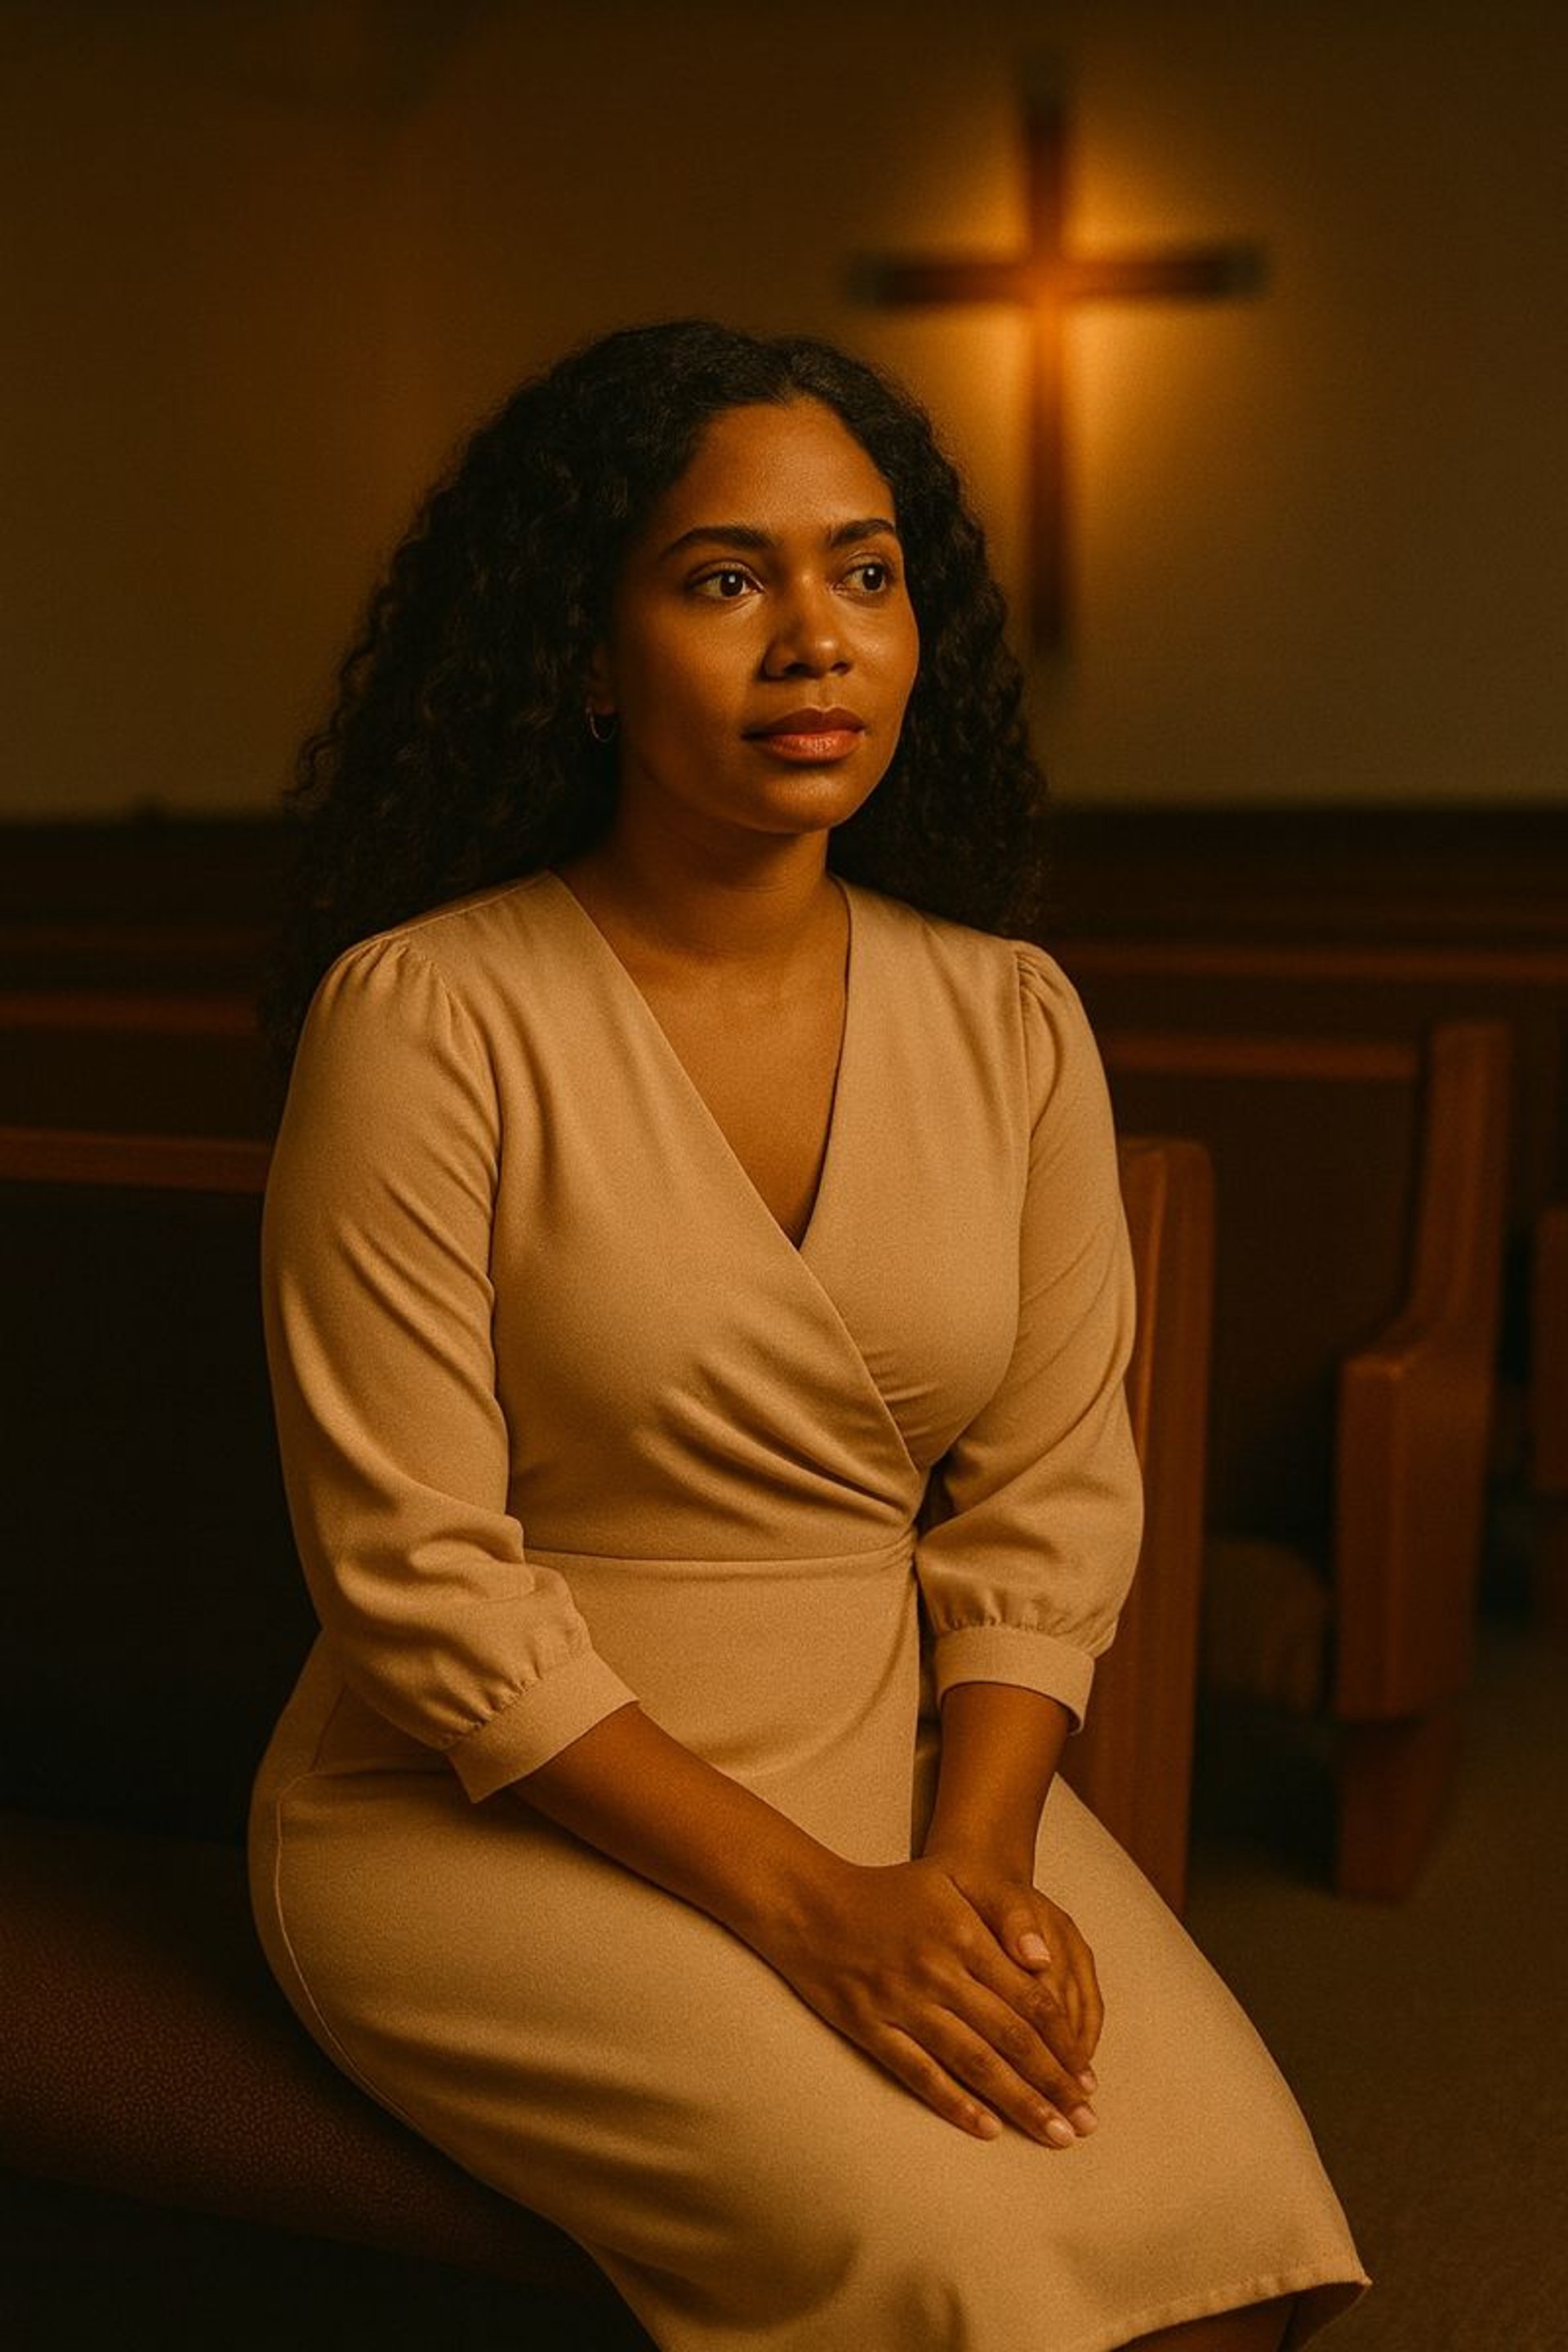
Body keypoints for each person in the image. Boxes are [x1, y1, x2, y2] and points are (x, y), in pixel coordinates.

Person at [249, 318, 1368, 2351]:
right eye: (722, 579)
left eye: (864, 574)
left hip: (903, 1767)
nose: (815, 641)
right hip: (491, 1798)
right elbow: (408, 1576)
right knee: (962, 2270)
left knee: (1236, 2234)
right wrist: (812, 1914)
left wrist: (969, 1862)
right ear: (586, 656)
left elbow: (1049, 1500)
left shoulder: (1011, 1015)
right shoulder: (425, 1017)